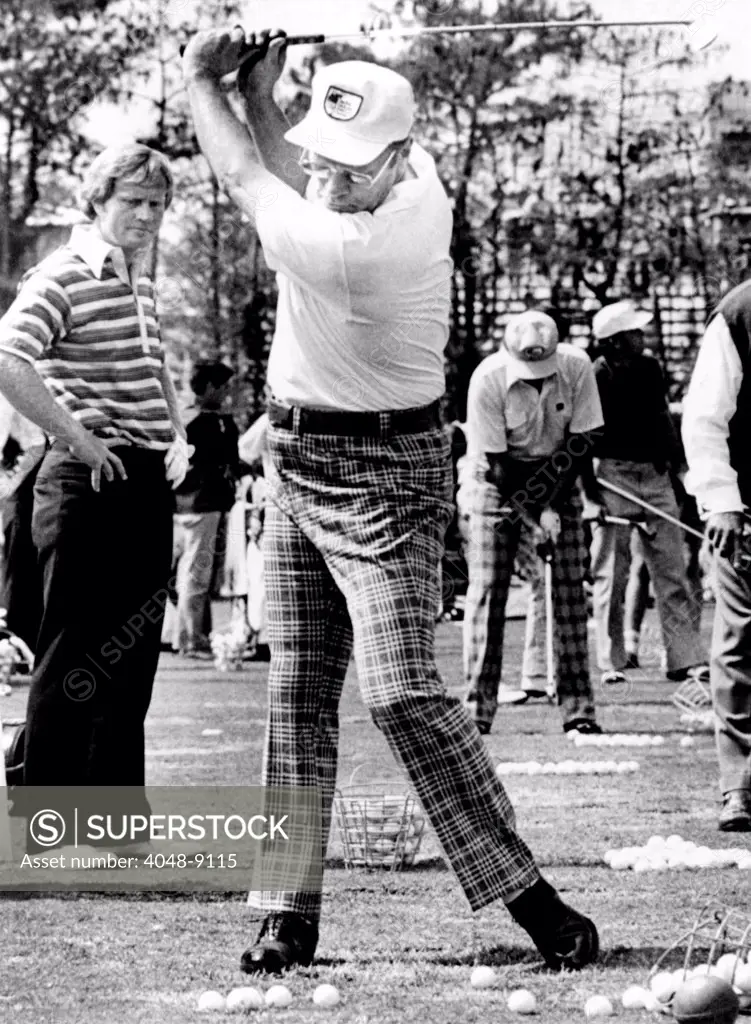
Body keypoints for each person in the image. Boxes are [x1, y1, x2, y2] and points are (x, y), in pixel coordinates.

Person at [182, 29, 599, 974]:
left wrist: (202, 78)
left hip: (388, 474)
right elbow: (295, 154)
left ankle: (525, 891)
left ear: (400, 162)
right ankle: (286, 910)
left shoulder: (360, 247)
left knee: (403, 689)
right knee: (296, 694)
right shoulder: (397, 177)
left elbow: (251, 167)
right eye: (321, 161)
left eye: (347, 172)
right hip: (295, 458)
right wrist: (263, 83)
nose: (325, 181)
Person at [0, 143, 189, 808]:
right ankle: (48, 820)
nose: (146, 215)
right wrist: (74, 436)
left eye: (157, 204)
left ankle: (111, 821)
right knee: (72, 651)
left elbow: (154, 366)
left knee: (131, 660)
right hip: (84, 481)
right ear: (98, 201)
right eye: (133, 202)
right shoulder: (61, 275)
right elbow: (8, 357)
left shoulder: (140, 278)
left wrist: (179, 434)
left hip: (141, 479)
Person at [461, 310, 604, 734]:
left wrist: (553, 505)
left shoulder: (576, 367)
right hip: (497, 482)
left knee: (569, 596)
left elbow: (582, 444)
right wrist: (532, 514)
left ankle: (578, 711)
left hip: (559, 473)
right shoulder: (487, 380)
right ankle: (476, 712)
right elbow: (499, 464)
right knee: (488, 593)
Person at [588, 300, 708, 689]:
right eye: (634, 332)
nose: (642, 337)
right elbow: (585, 439)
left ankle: (684, 658)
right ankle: (612, 660)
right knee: (613, 572)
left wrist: (678, 471)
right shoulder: (597, 375)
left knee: (672, 570)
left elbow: (660, 418)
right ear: (615, 342)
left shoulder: (650, 368)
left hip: (655, 477)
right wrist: (592, 497)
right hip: (613, 478)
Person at [682, 279, 751, 831]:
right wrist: (722, 502)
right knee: (740, 643)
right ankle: (741, 787)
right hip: (746, 509)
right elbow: (705, 416)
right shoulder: (739, 314)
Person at [166, 361, 242, 657]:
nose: (225, 394)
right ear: (209, 386)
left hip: (178, 505)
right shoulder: (211, 423)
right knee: (195, 575)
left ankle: (185, 634)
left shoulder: (180, 418)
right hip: (204, 504)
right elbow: (230, 461)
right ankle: (191, 639)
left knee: (182, 574)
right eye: (222, 387)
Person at [0, 393, 46, 650]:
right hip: (16, 482)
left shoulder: (8, 395)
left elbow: (36, 444)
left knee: (19, 558)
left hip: (23, 487)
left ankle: (17, 640)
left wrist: (11, 481)